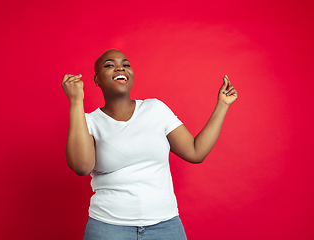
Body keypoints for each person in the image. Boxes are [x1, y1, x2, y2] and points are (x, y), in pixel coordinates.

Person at [61, 49, 238, 240]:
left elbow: (196, 152)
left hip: (165, 227)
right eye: (109, 65)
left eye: (126, 64)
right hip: (108, 229)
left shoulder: (155, 109)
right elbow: (81, 167)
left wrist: (223, 104)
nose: (120, 67)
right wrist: (76, 101)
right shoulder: (88, 121)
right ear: (96, 80)